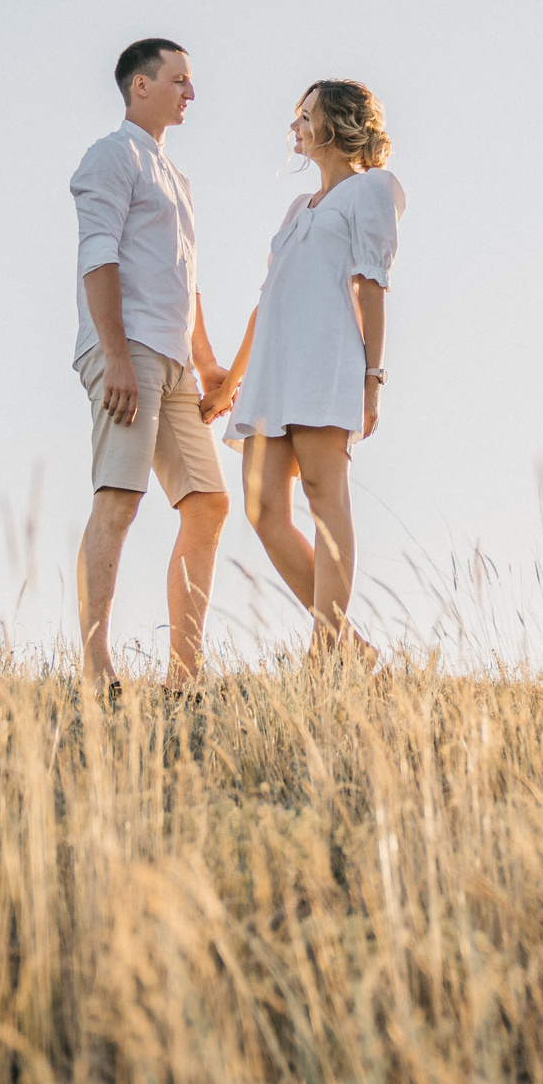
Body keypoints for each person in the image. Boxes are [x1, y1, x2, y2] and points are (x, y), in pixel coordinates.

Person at [206, 80, 404, 665]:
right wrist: (229, 383)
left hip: (326, 361)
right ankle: (352, 648)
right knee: (263, 508)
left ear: (336, 124)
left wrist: (372, 379)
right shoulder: (298, 208)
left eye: (306, 114)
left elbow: (372, 285)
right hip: (273, 369)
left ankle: (325, 649)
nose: (295, 125)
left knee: (324, 495)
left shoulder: (371, 191)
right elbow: (267, 299)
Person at [70, 38, 232, 692]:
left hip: (174, 364)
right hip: (126, 351)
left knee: (209, 504)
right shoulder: (111, 156)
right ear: (142, 85)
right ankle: (94, 663)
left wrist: (210, 366)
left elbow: (184, 283)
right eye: (179, 80)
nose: (190, 93)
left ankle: (184, 676)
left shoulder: (177, 179)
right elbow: (97, 256)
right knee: (119, 497)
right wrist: (115, 357)